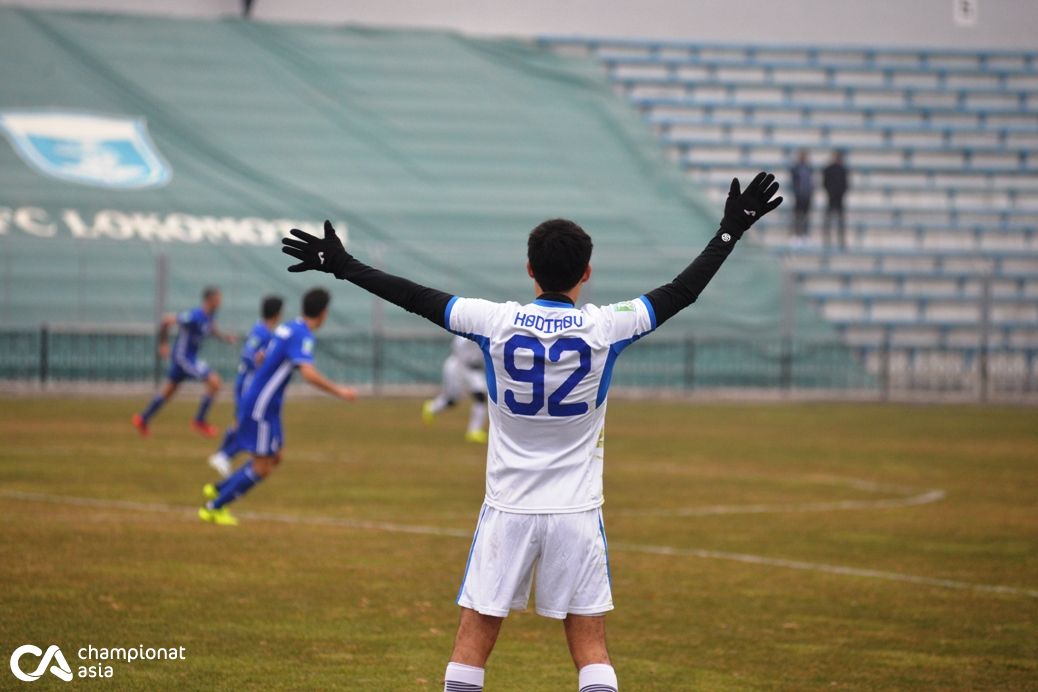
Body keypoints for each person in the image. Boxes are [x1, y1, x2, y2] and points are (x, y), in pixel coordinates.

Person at [282, 171, 783, 692]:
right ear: (586, 273)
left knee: (472, 643)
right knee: (591, 645)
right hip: (576, 512)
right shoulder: (605, 326)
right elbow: (683, 291)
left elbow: (414, 297)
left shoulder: (493, 321)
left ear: (529, 269)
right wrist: (730, 232)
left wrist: (342, 265)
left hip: (508, 508)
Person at [199, 288, 357, 526]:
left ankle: (218, 488)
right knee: (262, 468)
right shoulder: (302, 334)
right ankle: (214, 507)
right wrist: (339, 391)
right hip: (261, 406)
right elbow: (308, 374)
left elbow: (262, 356)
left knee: (276, 456)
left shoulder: (288, 327)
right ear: (324, 313)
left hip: (266, 405)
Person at [132, 287, 237, 437]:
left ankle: (143, 419)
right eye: (218, 299)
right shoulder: (195, 315)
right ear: (210, 299)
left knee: (168, 392)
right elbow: (167, 320)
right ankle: (199, 421)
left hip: (187, 358)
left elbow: (211, 328)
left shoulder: (210, 316)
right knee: (215, 382)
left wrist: (225, 338)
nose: (220, 302)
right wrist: (163, 344)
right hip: (184, 358)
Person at [207, 294, 283, 478]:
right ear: (277, 314)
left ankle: (223, 456)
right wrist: (258, 360)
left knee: (241, 421)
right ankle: (224, 455)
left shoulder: (265, 331)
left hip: (251, 384)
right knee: (243, 421)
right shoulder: (261, 332)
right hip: (248, 384)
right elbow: (248, 353)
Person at [422, 335, 489, 443]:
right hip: (458, 367)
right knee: (453, 400)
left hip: (474, 370)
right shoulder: (466, 332)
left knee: (480, 397)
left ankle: (474, 431)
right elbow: (457, 347)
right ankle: (431, 407)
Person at [823, 150, 850, 250]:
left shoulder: (843, 169)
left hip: (839, 198)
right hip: (831, 197)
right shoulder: (829, 169)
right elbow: (825, 182)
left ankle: (840, 240)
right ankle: (827, 240)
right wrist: (830, 192)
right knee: (829, 219)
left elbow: (846, 184)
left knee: (840, 221)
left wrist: (841, 192)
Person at [789, 149, 813, 244]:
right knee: (797, 215)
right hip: (799, 195)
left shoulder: (809, 168)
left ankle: (805, 234)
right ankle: (796, 234)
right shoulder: (795, 168)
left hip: (806, 195)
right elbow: (794, 182)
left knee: (806, 216)